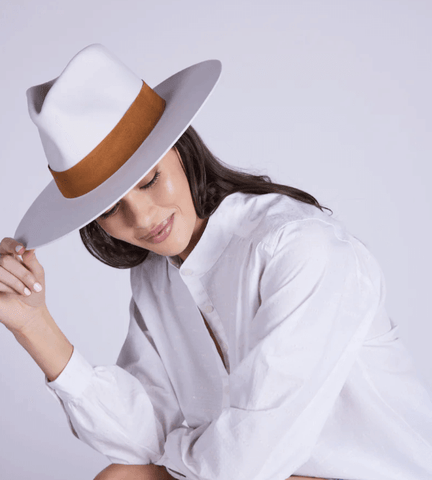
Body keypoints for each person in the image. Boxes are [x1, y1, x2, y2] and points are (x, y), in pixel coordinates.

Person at [0, 43, 431, 480]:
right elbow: (142, 436)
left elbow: (250, 460)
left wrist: (176, 452)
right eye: (109, 209)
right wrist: (33, 326)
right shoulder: (156, 278)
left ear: (182, 152)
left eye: (150, 180)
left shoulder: (301, 249)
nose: (143, 218)